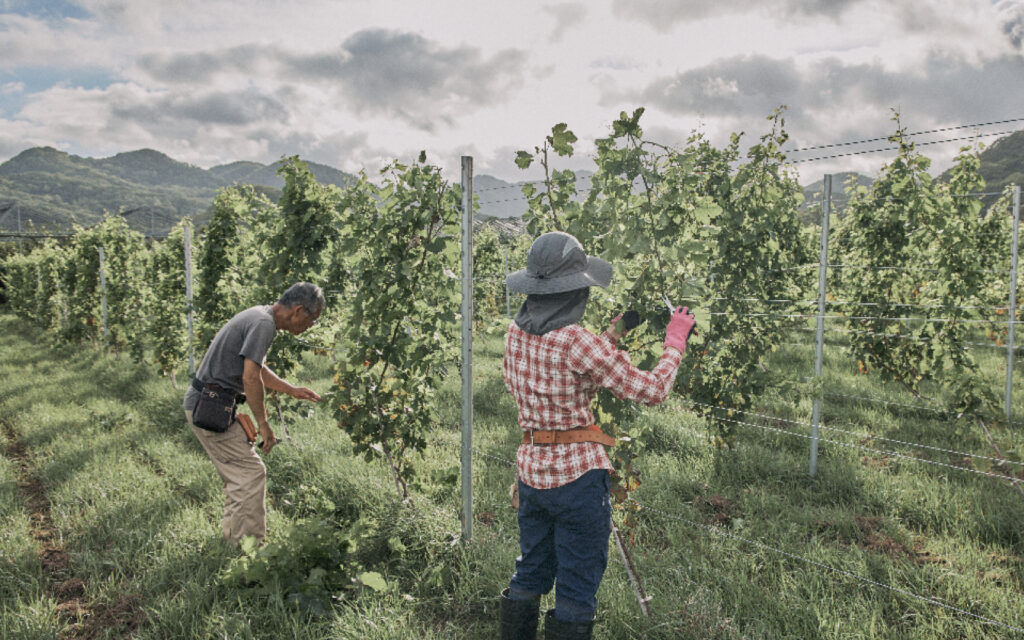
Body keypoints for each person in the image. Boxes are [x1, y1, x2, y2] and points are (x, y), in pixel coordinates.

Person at [499, 232, 696, 640]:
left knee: (530, 571)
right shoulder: (576, 342)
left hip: (532, 474)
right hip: (576, 481)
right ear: (573, 292)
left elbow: (568, 367)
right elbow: (652, 390)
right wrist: (675, 342)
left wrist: (616, 331)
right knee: (576, 587)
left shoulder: (515, 334)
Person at [183, 282, 324, 546]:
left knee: (241, 475)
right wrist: (263, 423)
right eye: (312, 319)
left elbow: (255, 367)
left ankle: (234, 542)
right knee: (250, 473)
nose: (310, 326)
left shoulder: (260, 315)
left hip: (209, 403)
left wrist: (290, 389)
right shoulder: (264, 325)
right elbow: (250, 377)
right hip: (210, 406)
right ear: (298, 311)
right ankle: (249, 553)